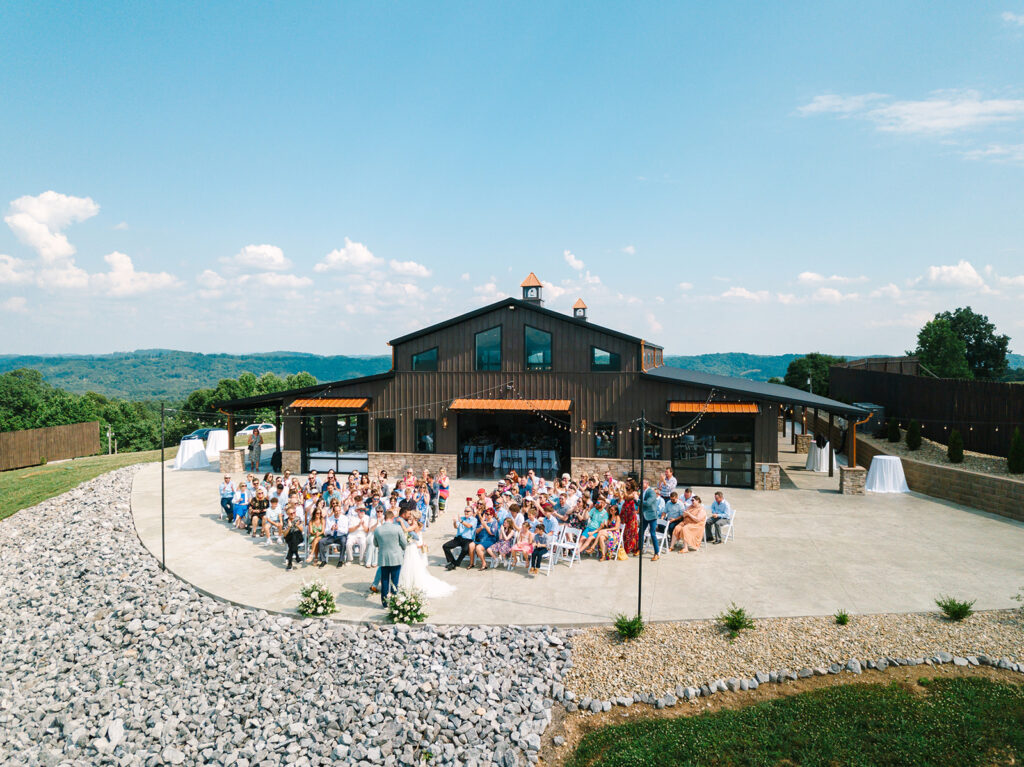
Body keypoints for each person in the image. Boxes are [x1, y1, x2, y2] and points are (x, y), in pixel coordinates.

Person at [398, 515, 456, 598]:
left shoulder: (414, 525)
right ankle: (408, 582)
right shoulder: (412, 525)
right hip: (410, 547)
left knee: (412, 564)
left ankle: (414, 583)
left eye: (410, 519)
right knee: (408, 565)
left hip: (412, 547)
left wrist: (401, 522)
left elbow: (406, 530)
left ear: (414, 519)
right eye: (408, 519)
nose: (408, 521)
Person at [373, 510, 407, 608]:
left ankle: (385, 603)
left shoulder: (378, 530)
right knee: (394, 581)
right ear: (393, 518)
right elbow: (404, 543)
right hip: (396, 557)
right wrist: (402, 548)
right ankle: (394, 601)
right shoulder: (397, 528)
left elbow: (375, 544)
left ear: (384, 518)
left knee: (384, 581)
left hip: (383, 557)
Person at [443, 503, 478, 570]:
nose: (466, 512)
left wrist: (461, 521)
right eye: (465, 511)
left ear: (472, 512)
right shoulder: (461, 518)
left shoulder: (474, 520)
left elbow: (469, 526)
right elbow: (456, 527)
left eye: (468, 511)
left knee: (465, 550)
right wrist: (454, 522)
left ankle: (455, 564)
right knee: (445, 546)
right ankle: (453, 562)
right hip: (459, 538)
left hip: (468, 539)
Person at [640, 479, 662, 561]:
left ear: (647, 484)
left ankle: (657, 553)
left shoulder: (651, 492)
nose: (641, 484)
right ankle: (640, 549)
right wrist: (636, 500)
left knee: (653, 534)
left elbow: (648, 503)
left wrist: (638, 500)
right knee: (641, 532)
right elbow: (639, 503)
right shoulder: (642, 491)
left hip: (651, 516)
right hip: (644, 515)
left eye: (642, 483)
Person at [619, 483, 640, 556]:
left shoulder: (635, 492)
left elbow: (627, 498)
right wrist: (619, 488)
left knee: (630, 532)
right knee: (624, 531)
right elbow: (620, 496)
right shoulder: (626, 492)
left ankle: (632, 548)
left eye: (628, 484)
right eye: (626, 484)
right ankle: (623, 546)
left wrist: (623, 488)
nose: (627, 486)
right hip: (625, 513)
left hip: (631, 514)